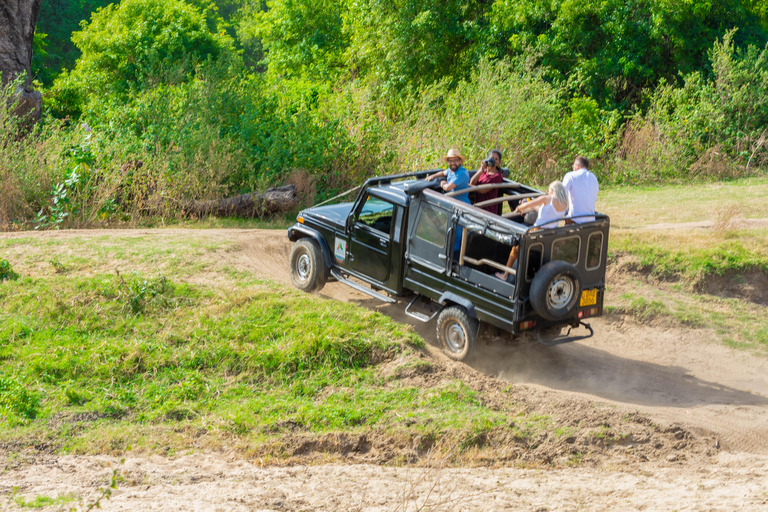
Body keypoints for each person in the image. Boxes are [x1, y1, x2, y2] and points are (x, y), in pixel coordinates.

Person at [495, 181, 568, 281]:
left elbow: (528, 205)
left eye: (549, 190)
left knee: (515, 249)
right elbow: (546, 212)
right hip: (550, 233)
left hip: (537, 230)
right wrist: (531, 206)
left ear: (552, 190)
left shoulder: (547, 198)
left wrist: (520, 207)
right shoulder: (564, 204)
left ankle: (505, 275)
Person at [562, 155, 599, 223]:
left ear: (577, 166)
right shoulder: (594, 177)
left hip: (575, 219)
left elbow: (561, 195)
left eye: (573, 165)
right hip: (591, 219)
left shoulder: (570, 176)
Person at [469, 150, 504, 214]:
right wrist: (481, 170)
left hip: (488, 210)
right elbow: (472, 182)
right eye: (492, 158)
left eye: (496, 159)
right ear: (487, 158)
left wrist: (466, 185)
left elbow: (483, 190)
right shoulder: (483, 170)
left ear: (498, 162)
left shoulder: (498, 176)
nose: (494, 160)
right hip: (478, 206)